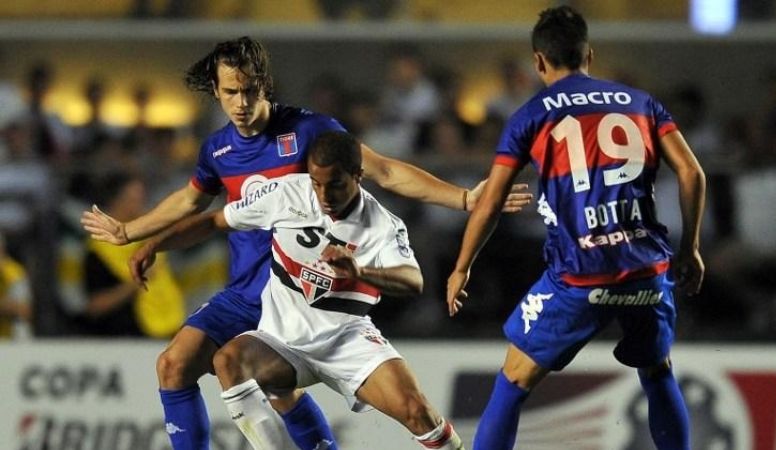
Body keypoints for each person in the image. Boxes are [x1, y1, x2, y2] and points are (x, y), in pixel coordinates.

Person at [82, 36, 531, 450]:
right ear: (215, 92)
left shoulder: (309, 131)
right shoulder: (217, 149)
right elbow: (194, 205)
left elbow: (384, 171)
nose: (240, 104)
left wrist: (466, 198)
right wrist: (135, 233)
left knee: (279, 388)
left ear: (265, 86)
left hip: (307, 290)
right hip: (248, 287)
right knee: (174, 366)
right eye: (229, 93)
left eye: (248, 91)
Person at [445, 7, 705, 450]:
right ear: (589, 54)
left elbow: (491, 201)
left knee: (513, 380)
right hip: (646, 269)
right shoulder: (642, 104)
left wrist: (462, 266)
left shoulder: (531, 115)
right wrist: (690, 250)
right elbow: (692, 173)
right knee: (658, 369)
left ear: (539, 62)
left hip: (580, 273)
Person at [152, 131, 465, 449]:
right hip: (281, 340)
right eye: (317, 183)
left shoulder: (382, 225)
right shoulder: (287, 192)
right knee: (228, 361)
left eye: (335, 184)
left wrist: (360, 272)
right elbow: (215, 221)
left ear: (358, 176)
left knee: (417, 411)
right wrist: (153, 245)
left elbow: (414, 281)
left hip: (346, 338)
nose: (324, 194)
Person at [80, 171, 185, 337]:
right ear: (117, 202)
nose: (142, 205)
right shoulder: (99, 251)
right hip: (126, 340)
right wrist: (136, 281)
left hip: (168, 330)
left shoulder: (150, 239)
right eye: (135, 199)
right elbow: (95, 306)